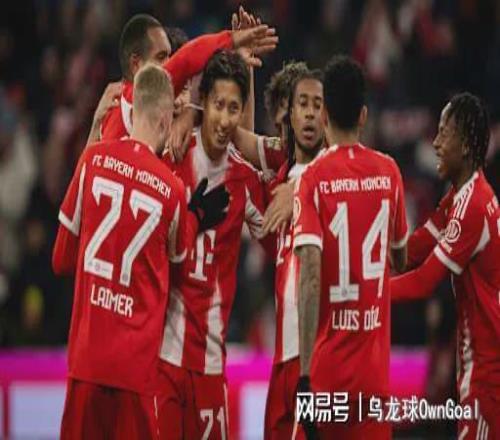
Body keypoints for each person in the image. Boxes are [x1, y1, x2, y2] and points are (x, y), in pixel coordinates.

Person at [52, 63, 227, 439]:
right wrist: (195, 217)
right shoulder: (171, 189)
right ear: (165, 120)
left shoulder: (93, 160)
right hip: (136, 376)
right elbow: (178, 266)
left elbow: (60, 259)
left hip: (86, 365)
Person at [293, 55, 408, 439]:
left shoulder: (312, 179)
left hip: (327, 378)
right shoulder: (390, 172)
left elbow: (310, 276)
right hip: (373, 383)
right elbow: (401, 258)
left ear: (324, 114)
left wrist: (304, 375)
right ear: (363, 116)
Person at [156, 50, 269, 440]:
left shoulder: (244, 179)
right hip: (163, 359)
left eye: (233, 108)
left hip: (210, 364)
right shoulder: (171, 157)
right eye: (218, 105)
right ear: (202, 101)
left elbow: (280, 244)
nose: (224, 119)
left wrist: (292, 194)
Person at [391, 92, 500, 439]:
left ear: (465, 145)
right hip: (476, 362)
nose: (435, 143)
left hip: (488, 369)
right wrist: (363, 258)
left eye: (444, 133)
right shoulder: (458, 196)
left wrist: (366, 293)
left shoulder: (473, 205)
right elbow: (412, 252)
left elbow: (423, 282)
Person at [88, 13, 278, 143]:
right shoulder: (124, 107)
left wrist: (243, 66)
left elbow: (241, 151)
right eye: (161, 58)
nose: (168, 67)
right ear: (136, 65)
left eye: (183, 88)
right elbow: (185, 61)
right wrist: (232, 39)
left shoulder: (194, 137)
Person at [263, 67, 325, 440]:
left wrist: (300, 191)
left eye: (316, 105)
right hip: (281, 356)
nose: (308, 114)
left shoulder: (329, 175)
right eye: (301, 105)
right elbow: (243, 140)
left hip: (313, 358)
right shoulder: (281, 179)